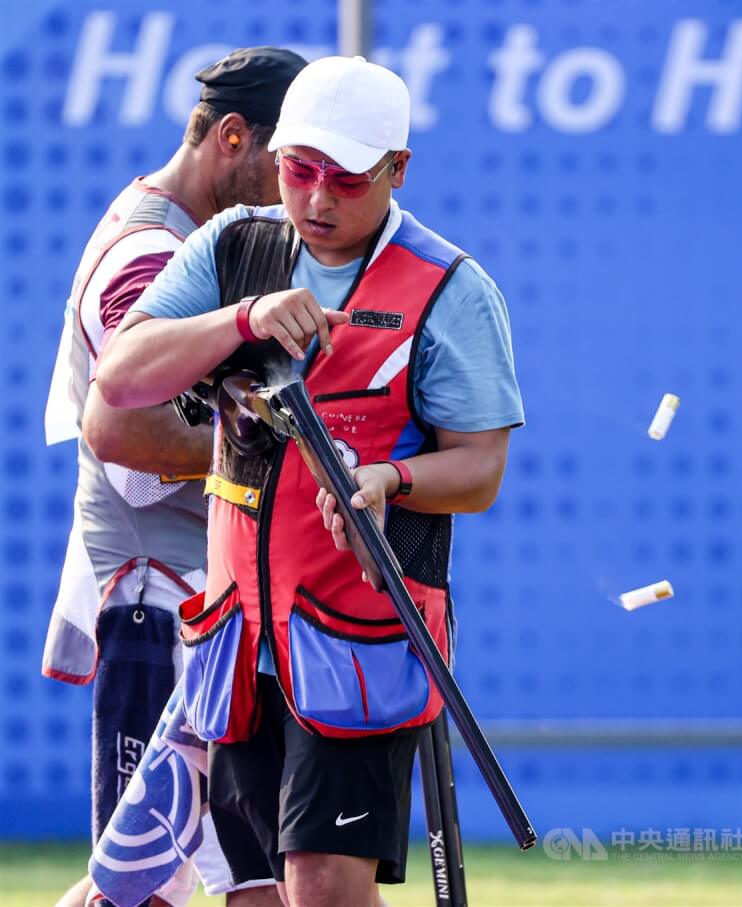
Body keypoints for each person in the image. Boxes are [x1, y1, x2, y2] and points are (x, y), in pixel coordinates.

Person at [96, 55, 525, 907]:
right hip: (236, 637)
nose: (319, 200)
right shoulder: (233, 247)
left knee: (323, 886)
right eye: (299, 171)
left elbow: (479, 469)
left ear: (398, 171)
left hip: (360, 635)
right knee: (255, 889)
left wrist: (391, 478)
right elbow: (120, 379)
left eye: (347, 179)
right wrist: (242, 319)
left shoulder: (451, 288)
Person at [44, 46, 306, 907]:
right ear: (234, 137)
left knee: (250, 882)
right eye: (289, 166)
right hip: (163, 604)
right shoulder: (151, 252)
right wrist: (271, 450)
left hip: (209, 609)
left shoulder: (187, 235)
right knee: (137, 893)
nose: (300, 196)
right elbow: (116, 421)